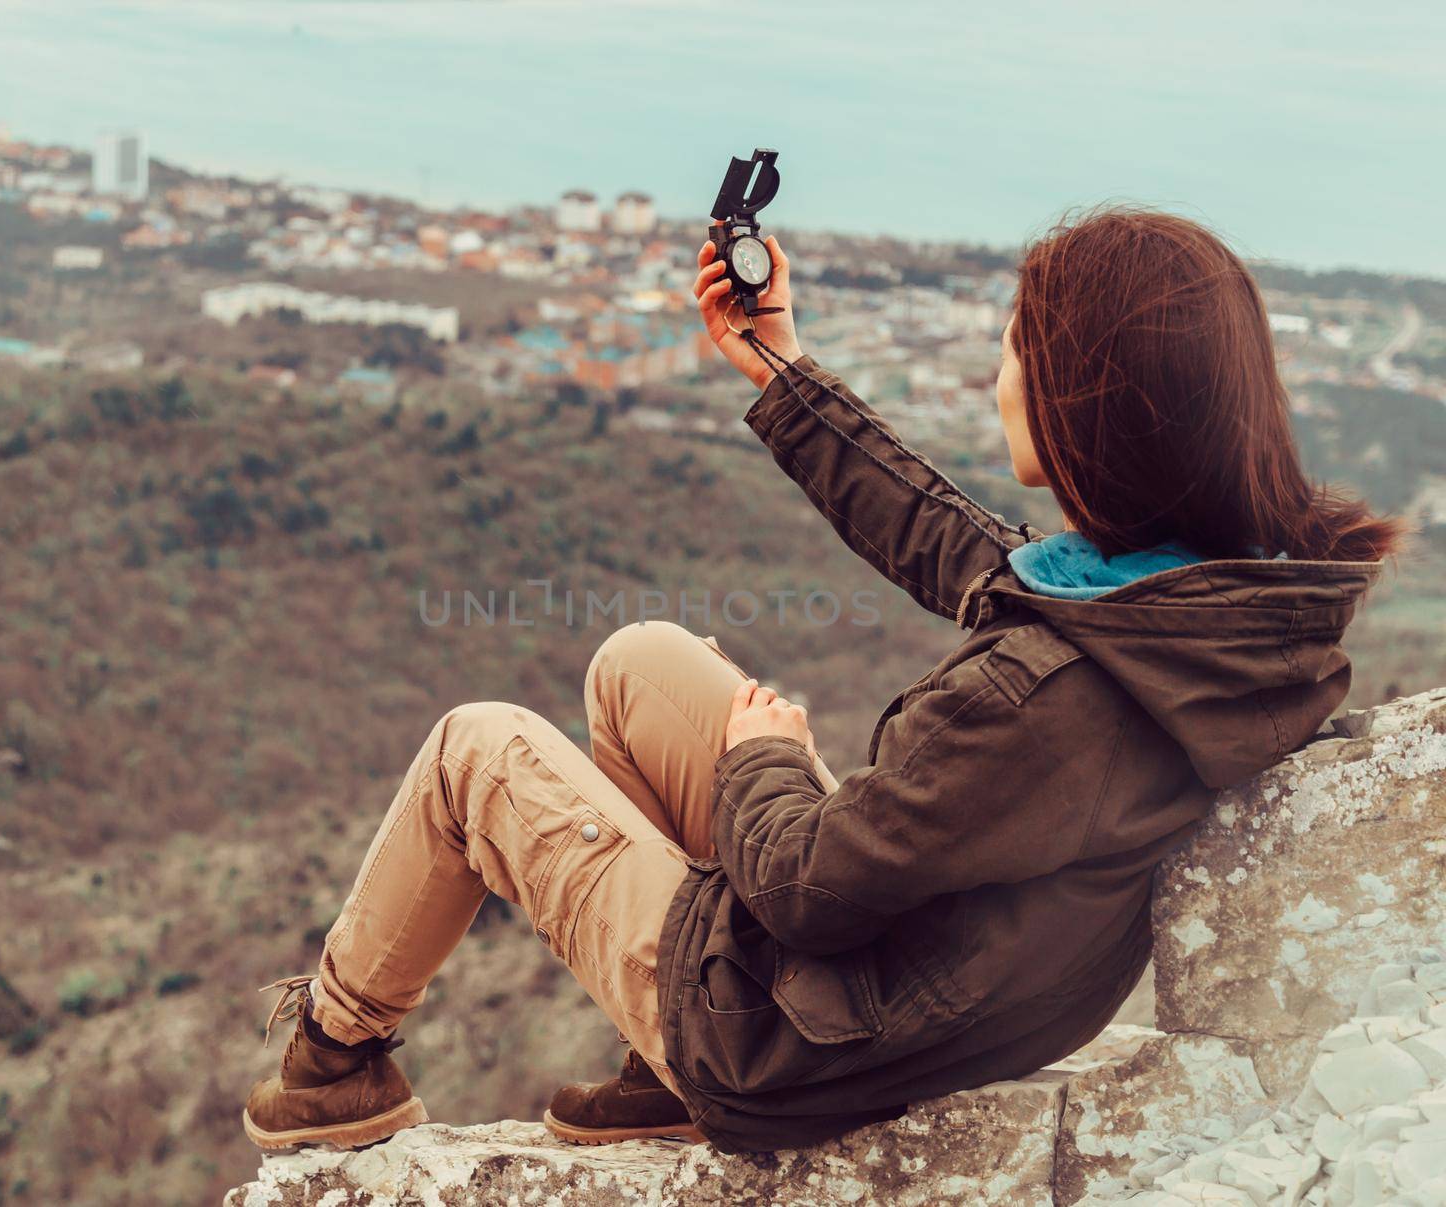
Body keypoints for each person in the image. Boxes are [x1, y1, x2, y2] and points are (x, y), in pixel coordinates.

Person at [243, 206, 1401, 1154]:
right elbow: (961, 549)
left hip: (781, 1040)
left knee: (473, 748)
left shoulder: (1046, 703)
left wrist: (763, 762)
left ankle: (334, 1057)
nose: (997, 372)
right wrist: (779, 369)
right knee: (639, 665)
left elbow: (803, 885)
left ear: (1085, 402)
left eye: (1015, 346)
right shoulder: (1196, 621)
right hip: (905, 998)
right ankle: (652, 1069)